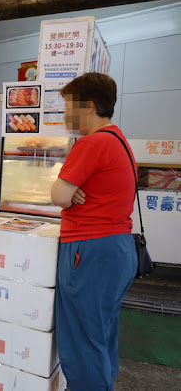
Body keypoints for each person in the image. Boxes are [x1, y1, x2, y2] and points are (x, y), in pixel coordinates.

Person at [50, 73, 137, 391]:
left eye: (67, 106)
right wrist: (72, 191)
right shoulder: (118, 140)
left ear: (87, 106)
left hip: (89, 251)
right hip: (118, 249)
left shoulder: (92, 142)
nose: (64, 114)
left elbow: (59, 195)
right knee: (100, 334)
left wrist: (67, 192)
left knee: (82, 340)